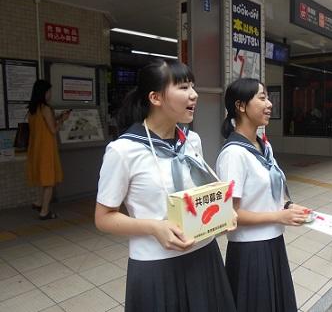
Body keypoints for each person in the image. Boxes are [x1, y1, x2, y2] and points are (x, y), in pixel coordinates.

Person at [94, 59, 236, 312]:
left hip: (205, 254)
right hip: (156, 265)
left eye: (193, 86)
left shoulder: (192, 140)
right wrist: (153, 227)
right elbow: (104, 218)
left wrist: (222, 215)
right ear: (155, 97)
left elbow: (199, 196)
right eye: (183, 87)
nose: (193, 95)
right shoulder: (123, 151)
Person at [216, 77, 310, 312]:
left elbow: (271, 192)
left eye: (268, 97)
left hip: (272, 242)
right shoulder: (234, 154)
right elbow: (230, 214)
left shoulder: (263, 146)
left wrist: (288, 208)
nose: (269, 104)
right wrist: (278, 217)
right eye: (262, 97)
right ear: (240, 106)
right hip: (250, 251)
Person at [28, 80, 70, 220]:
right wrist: (62, 120)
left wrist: (57, 117)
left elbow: (44, 124)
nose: (50, 94)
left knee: (43, 178)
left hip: (36, 148)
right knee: (49, 181)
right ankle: (44, 212)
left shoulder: (33, 109)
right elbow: (53, 130)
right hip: (46, 149)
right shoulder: (45, 108)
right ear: (44, 92)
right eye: (49, 91)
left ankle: (39, 203)